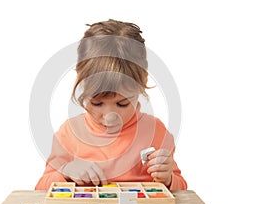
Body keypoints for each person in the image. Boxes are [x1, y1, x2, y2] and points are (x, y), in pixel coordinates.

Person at [35, 19, 187, 190]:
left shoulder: (156, 131)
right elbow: (41, 188)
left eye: (122, 104)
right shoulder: (69, 133)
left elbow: (181, 189)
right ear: (81, 81)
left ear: (142, 82)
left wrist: (168, 179)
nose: (110, 116)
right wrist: (65, 171)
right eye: (97, 103)